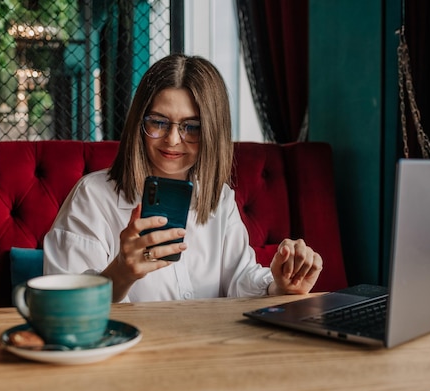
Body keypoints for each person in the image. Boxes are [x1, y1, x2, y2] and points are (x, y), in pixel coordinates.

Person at [43, 54, 323, 302]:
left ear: (212, 133)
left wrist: (279, 284)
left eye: (192, 127)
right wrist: (121, 272)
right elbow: (62, 304)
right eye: (158, 122)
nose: (173, 139)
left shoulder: (219, 197)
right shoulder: (92, 197)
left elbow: (239, 278)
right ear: (139, 124)